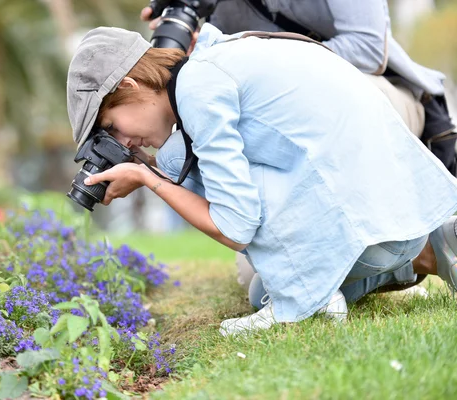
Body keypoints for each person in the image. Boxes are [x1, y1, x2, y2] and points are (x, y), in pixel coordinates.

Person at [66, 24, 457, 336]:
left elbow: (236, 227)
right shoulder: (215, 58)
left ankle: (319, 300)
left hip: (370, 222)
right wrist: (149, 169)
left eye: (111, 128)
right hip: (397, 209)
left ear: (129, 87)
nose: (122, 143)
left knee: (177, 163)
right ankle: (435, 246)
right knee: (261, 292)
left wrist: (148, 177)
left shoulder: (198, 93)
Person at [141, 0, 457, 294]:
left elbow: (368, 49)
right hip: (292, 128)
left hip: (376, 92)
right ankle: (425, 251)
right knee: (261, 279)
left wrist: (268, 61)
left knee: (295, 268)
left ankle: (392, 233)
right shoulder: (220, 4)